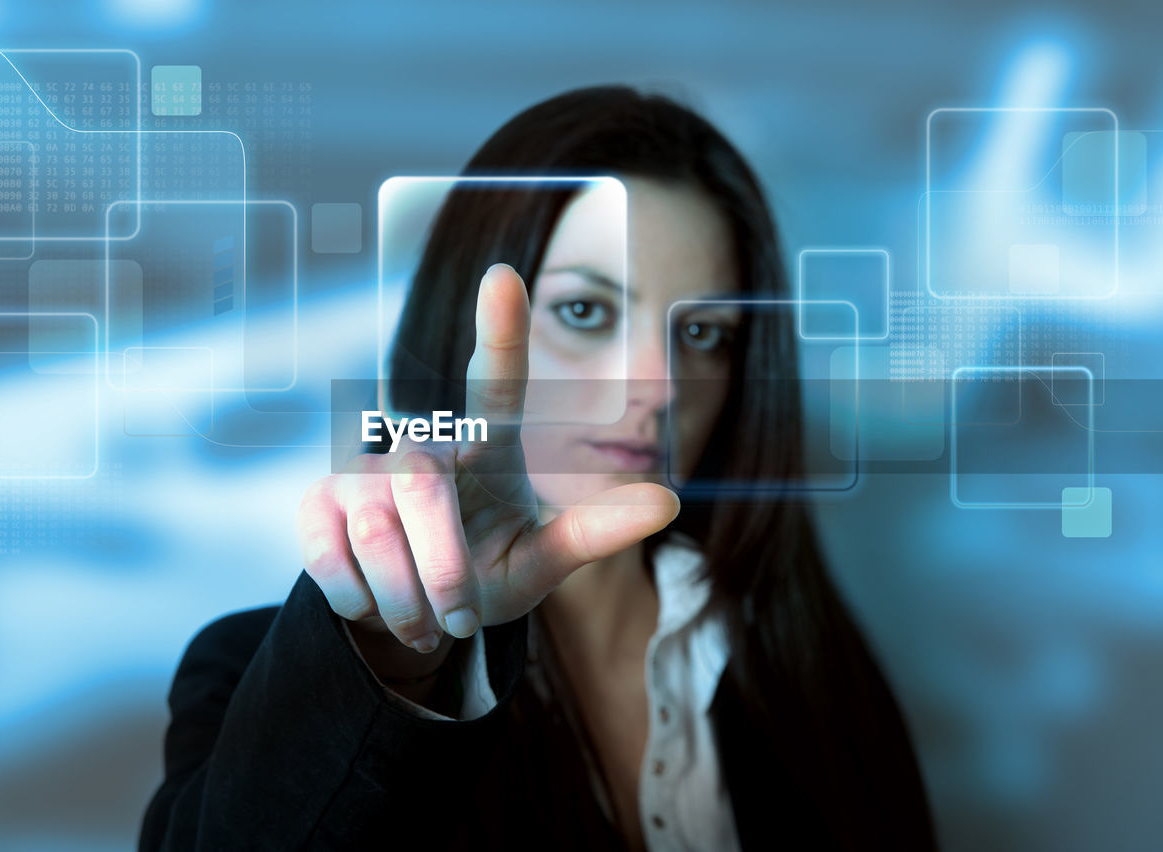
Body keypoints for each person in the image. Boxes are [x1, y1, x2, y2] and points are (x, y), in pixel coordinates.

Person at [140, 86, 938, 851]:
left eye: (704, 336)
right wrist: (398, 658)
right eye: (585, 312)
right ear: (464, 323)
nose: (657, 387)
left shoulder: (813, 670)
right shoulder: (253, 679)